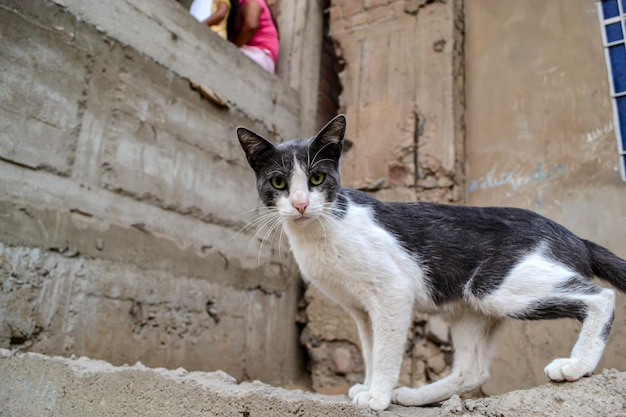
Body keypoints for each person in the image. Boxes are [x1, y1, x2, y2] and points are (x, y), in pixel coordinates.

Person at [231, 0, 279, 73]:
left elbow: (251, 26)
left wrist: (234, 48)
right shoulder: (238, 6)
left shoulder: (252, 1)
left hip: (259, 55)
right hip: (257, 56)